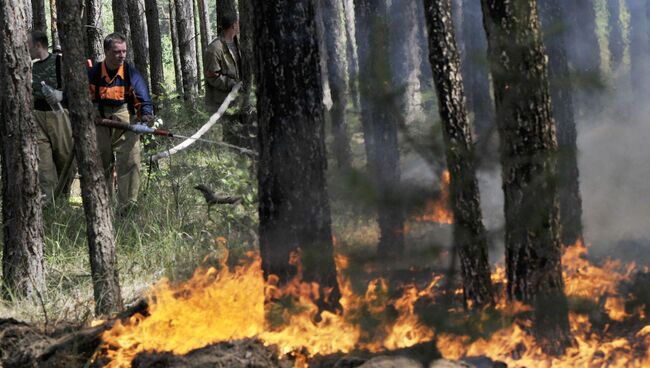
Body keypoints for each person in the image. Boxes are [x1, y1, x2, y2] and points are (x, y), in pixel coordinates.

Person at [88, 33, 153, 214]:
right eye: (117, 52)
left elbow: (143, 98)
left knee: (130, 162)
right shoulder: (93, 73)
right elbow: (78, 97)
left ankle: (127, 208)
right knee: (101, 164)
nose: (122, 55)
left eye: (124, 51)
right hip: (99, 120)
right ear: (106, 52)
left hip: (126, 119)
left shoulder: (130, 73)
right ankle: (103, 208)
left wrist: (146, 117)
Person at [29, 30, 75, 204]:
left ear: (37, 45)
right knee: (44, 165)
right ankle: (50, 205)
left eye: (28, 44)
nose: (26, 48)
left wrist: (62, 96)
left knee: (64, 158)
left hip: (59, 115)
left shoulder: (59, 61)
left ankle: (64, 200)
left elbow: (78, 86)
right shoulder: (29, 67)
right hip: (37, 115)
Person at [204, 13, 248, 147]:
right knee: (230, 139)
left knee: (242, 135)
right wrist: (233, 85)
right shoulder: (214, 49)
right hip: (223, 102)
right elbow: (212, 76)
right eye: (238, 23)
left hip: (239, 100)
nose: (240, 26)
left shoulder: (238, 44)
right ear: (234, 25)